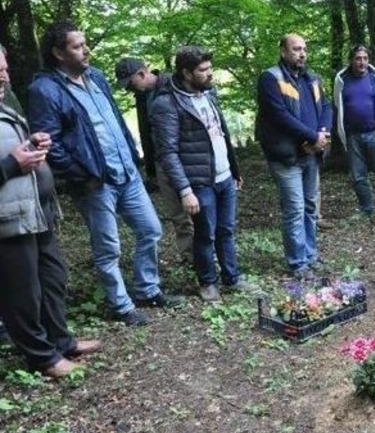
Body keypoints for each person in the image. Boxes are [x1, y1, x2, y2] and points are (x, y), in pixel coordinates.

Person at [28, 20, 181, 326]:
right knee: (108, 246)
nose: (86, 50)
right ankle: (120, 305)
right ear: (59, 53)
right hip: (94, 183)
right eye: (77, 46)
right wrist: (82, 174)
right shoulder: (43, 89)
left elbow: (114, 120)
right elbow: (49, 142)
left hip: (127, 173)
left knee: (151, 229)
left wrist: (133, 156)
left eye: (85, 44)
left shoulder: (96, 76)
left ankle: (147, 289)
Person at [1, 43, 102, 377]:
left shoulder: (7, 104)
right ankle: (42, 357)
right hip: (8, 220)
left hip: (36, 211)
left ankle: (61, 340)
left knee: (53, 278)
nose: (4, 75)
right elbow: (8, 161)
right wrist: (11, 165)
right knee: (22, 293)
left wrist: (34, 143)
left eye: (4, 67)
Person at [149, 46, 248, 301]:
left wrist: (234, 170)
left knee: (226, 230)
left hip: (224, 176)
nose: (210, 74)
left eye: (209, 68)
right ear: (186, 73)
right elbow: (168, 153)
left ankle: (232, 278)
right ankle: (208, 282)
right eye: (203, 70)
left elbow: (221, 133)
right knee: (205, 234)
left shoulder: (209, 93)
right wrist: (184, 190)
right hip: (198, 182)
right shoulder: (166, 103)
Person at [256, 33, 332, 278]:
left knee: (310, 206)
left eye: (304, 49)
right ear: (283, 51)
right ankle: (297, 262)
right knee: (295, 208)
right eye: (296, 49)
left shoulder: (312, 78)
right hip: (286, 156)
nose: (302, 54)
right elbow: (279, 115)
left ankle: (310, 255)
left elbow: (327, 107)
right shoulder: (270, 78)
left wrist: (322, 132)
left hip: (311, 154)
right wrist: (311, 137)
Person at [115, 57, 194, 263]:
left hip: (185, 158)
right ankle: (190, 257)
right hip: (161, 162)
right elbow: (146, 132)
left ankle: (208, 257)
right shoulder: (142, 97)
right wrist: (151, 168)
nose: (130, 90)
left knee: (198, 209)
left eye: (131, 84)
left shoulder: (175, 84)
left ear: (142, 74)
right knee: (178, 215)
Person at [333, 45, 375, 223]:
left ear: (368, 60)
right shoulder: (341, 79)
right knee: (358, 176)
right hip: (353, 135)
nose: (361, 62)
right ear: (351, 60)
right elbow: (338, 104)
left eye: (365, 58)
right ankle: (366, 210)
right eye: (358, 58)